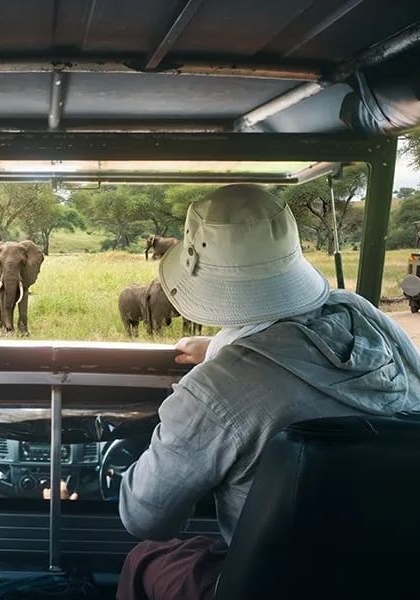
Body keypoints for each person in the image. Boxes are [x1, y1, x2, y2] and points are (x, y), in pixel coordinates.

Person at [115, 184, 420, 600]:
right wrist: (219, 353)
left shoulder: (213, 390)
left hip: (278, 584)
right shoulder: (364, 315)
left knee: (146, 558)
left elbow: (145, 518)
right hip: (397, 572)